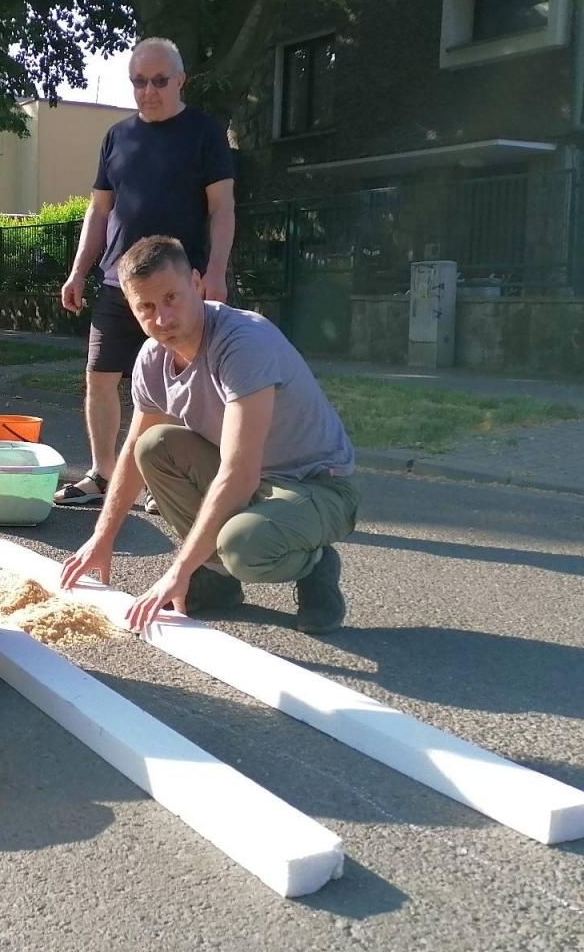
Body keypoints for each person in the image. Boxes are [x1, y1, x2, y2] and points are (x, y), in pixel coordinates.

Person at [61, 236, 360, 636]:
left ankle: (315, 564)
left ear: (198, 284)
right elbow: (134, 452)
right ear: (132, 309)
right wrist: (102, 537)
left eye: (171, 298)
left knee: (243, 546)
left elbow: (239, 473)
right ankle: (216, 579)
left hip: (315, 486)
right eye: (146, 307)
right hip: (256, 482)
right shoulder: (153, 358)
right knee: (155, 446)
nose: (162, 318)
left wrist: (177, 570)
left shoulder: (243, 343)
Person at [55, 36, 236, 508]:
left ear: (181, 80)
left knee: (182, 383)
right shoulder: (117, 136)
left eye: (159, 80)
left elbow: (222, 208)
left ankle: (166, 478)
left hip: (181, 286)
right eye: (139, 81)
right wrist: (78, 272)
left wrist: (215, 272)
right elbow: (98, 212)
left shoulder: (204, 132)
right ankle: (103, 474)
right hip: (120, 285)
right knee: (100, 377)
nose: (149, 90)